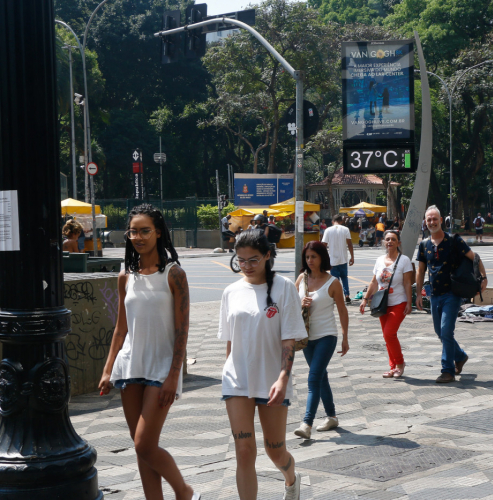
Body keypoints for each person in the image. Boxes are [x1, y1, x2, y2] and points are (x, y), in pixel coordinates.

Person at [98, 204, 200, 500]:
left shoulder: (174, 273)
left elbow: (182, 330)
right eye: (133, 231)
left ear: (158, 233)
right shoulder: (125, 276)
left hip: (161, 368)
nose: (138, 237)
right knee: (141, 448)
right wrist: (108, 370)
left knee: (144, 444)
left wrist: (174, 375)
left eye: (145, 231)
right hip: (130, 367)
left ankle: (184, 491)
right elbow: (121, 328)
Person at [218, 230, 307, 500]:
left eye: (253, 260)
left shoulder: (284, 287)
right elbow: (230, 342)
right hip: (237, 381)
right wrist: (228, 370)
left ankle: (291, 478)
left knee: (274, 449)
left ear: (268, 255)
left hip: (272, 380)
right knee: (244, 451)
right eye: (241, 260)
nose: (246, 266)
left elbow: (289, 340)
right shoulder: (231, 291)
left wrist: (283, 378)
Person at [416, 206, 487, 383]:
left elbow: (474, 256)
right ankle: (460, 356)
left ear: (441, 220)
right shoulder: (424, 245)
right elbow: (420, 270)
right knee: (440, 332)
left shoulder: (454, 240)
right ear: (425, 222)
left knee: (446, 331)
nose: (432, 222)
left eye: (435, 219)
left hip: (452, 293)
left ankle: (447, 370)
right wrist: (418, 294)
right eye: (429, 219)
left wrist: (483, 278)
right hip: (434, 294)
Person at [293, 241, 349, 440]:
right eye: (307, 257)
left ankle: (306, 423)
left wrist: (345, 337)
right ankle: (332, 417)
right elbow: (290, 304)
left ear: (322, 257)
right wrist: (300, 302)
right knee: (321, 377)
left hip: (327, 336)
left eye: (314, 257)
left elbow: (342, 310)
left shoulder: (333, 282)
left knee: (313, 378)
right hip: (307, 337)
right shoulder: (302, 278)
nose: (310, 261)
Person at [360, 230, 413, 378]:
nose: (390, 242)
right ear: (384, 242)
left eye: (393, 239)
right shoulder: (379, 260)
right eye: (387, 239)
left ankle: (400, 363)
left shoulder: (404, 260)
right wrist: (365, 299)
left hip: (399, 302)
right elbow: (374, 282)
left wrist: (409, 302)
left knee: (389, 333)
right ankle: (392, 366)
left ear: (398, 243)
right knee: (386, 335)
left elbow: (408, 283)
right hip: (382, 303)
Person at [322, 214, 354, 303]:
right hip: (343, 259)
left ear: (333, 221)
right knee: (344, 278)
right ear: (341, 221)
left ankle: (336, 297)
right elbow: (350, 244)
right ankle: (347, 295)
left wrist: (322, 258)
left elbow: (324, 245)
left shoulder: (328, 230)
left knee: (335, 280)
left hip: (333, 260)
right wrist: (352, 257)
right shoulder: (345, 229)